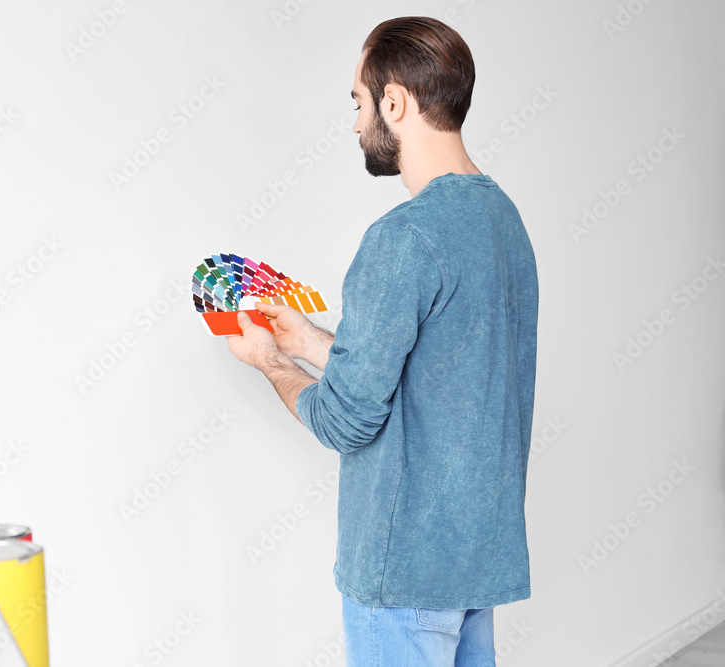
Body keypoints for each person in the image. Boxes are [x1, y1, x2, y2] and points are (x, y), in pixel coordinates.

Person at [225, 16, 538, 667]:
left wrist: (269, 363)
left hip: (404, 574)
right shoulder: (503, 220)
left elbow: (345, 420)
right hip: (474, 557)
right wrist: (312, 339)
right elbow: (438, 372)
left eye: (359, 102)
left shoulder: (402, 238)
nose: (355, 121)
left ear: (394, 101)